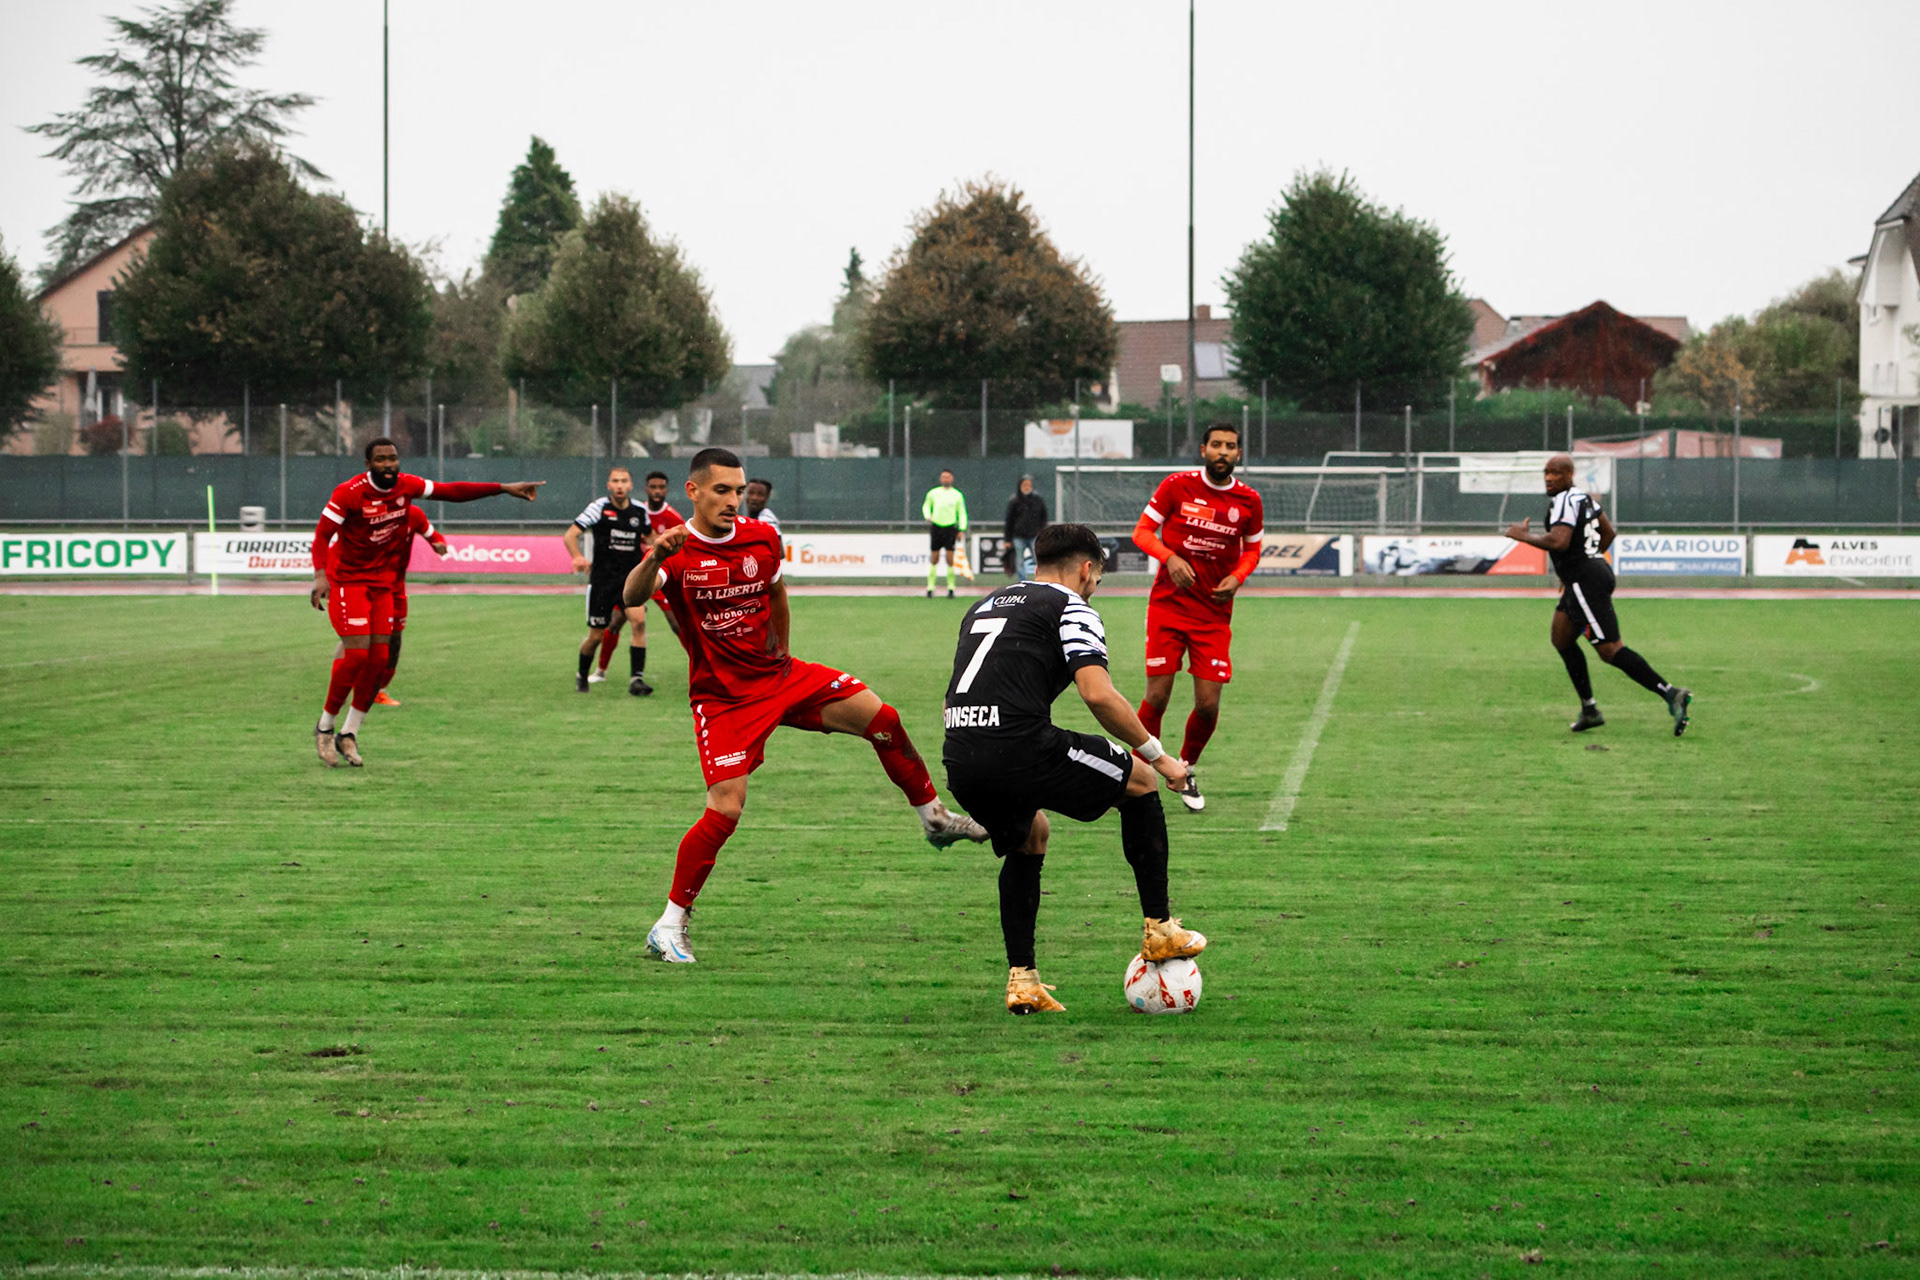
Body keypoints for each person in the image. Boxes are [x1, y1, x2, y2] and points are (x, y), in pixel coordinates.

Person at [623, 447, 988, 964]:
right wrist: (656, 555)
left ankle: (932, 816)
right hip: (724, 699)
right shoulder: (678, 551)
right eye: (722, 490)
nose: (733, 500)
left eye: (738, 489)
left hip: (780, 677)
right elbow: (632, 597)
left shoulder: (762, 537)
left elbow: (777, 595)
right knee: (726, 808)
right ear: (694, 491)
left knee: (882, 718)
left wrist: (783, 654)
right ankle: (669, 924)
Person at [942, 523, 1206, 1014]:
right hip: (1017, 744)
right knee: (1142, 780)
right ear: (1088, 569)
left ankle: (1023, 981)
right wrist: (1161, 755)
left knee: (1031, 836)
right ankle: (1161, 929)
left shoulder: (984, 603)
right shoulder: (1071, 606)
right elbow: (1097, 693)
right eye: (1097, 577)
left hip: (960, 752)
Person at [310, 438, 542, 766]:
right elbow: (321, 535)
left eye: (393, 458)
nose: (389, 465)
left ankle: (349, 734)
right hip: (348, 579)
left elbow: (453, 491)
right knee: (357, 653)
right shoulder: (349, 492)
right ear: (368, 464)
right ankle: (324, 727)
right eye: (381, 459)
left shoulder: (407, 486)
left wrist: (503, 487)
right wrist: (320, 576)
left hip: (383, 583)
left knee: (378, 660)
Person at [1505, 455, 1692, 736]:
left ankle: (1670, 693)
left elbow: (1559, 540)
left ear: (1570, 474)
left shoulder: (1566, 500)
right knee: (1561, 638)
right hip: (1584, 577)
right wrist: (1582, 561)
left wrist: (1522, 536)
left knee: (1610, 650)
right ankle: (1589, 709)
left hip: (1585, 581)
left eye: (1556, 473)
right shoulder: (1583, 498)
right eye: (1546, 472)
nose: (1549, 477)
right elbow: (1608, 532)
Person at [1130, 422, 1264, 812]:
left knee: (1208, 703)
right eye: (1217, 445)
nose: (1223, 452)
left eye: (1231, 447)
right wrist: (1169, 558)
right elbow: (1142, 532)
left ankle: (1185, 769)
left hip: (1213, 616)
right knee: (1157, 695)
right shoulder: (1177, 486)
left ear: (1239, 454)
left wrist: (1238, 577)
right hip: (1168, 608)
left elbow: (1253, 551)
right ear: (1203, 449)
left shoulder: (1249, 501)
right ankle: (1139, 773)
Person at [324, 503, 445, 708]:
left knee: (394, 638)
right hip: (356, 582)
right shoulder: (363, 515)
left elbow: (432, 534)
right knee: (353, 639)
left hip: (393, 586)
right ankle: (340, 689)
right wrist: (327, 579)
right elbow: (332, 547)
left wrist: (438, 543)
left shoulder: (413, 514)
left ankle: (378, 690)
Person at [564, 466, 654, 695]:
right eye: (615, 481)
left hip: (630, 581)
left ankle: (637, 680)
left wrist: (657, 551)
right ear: (609, 485)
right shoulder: (599, 508)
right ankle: (582, 674)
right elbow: (570, 534)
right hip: (603, 581)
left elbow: (651, 537)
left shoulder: (639, 511)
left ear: (631, 485)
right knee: (595, 637)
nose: (620, 485)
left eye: (624, 480)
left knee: (639, 622)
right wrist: (577, 556)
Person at [594, 469, 685, 674]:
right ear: (646, 489)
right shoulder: (637, 511)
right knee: (615, 623)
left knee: (676, 624)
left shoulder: (673, 517)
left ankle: (701, 666)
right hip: (636, 576)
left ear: (666, 490)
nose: (657, 491)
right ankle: (601, 670)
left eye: (661, 487)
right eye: (653, 487)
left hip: (662, 578)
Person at [923, 469, 968, 598]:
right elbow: (926, 506)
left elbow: (962, 513)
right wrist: (928, 516)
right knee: (934, 558)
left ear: (952, 478)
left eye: (947, 477)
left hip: (950, 528)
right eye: (943, 477)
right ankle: (930, 588)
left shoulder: (957, 495)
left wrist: (961, 529)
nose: (945, 479)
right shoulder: (933, 493)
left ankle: (951, 588)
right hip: (936, 527)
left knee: (950, 559)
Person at [1002, 474, 1047, 581]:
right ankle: (1022, 582)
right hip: (1018, 536)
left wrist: (1041, 531)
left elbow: (1043, 517)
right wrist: (1007, 539)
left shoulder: (1038, 500)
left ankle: (1041, 580)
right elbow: (1009, 521)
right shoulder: (1014, 501)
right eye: (1025, 484)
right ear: (1020, 486)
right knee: (1019, 562)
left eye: (1029, 485)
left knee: (1038, 559)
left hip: (1034, 535)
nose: (1027, 487)